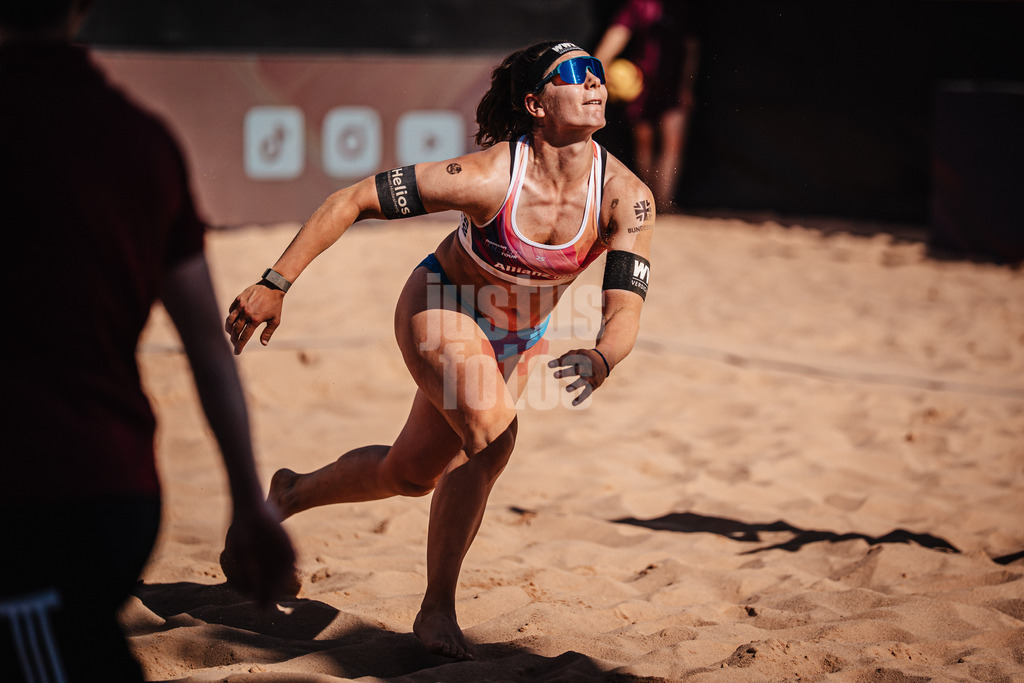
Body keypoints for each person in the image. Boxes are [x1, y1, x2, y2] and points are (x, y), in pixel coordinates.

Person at [223, 39, 655, 661]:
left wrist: (603, 356)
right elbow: (350, 200)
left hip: (512, 338)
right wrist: (275, 282)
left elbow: (624, 308)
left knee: (410, 474)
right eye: (575, 75)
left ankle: (290, 492)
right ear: (535, 103)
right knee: (494, 438)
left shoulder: (625, 196)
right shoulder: (487, 177)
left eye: (597, 73)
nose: (595, 83)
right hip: (441, 306)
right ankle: (436, 612)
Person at [0, 1, 296, 681]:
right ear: (80, 7)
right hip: (114, 488)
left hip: (32, 489)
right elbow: (206, 346)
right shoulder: (140, 140)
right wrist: (247, 500)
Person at [594, 0, 701, 212]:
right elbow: (617, 35)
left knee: (673, 143)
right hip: (642, 83)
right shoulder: (639, 5)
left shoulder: (681, 8)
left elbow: (691, 48)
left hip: (674, 83)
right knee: (645, 143)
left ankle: (664, 202)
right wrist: (599, 64)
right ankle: (649, 201)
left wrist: (686, 86)